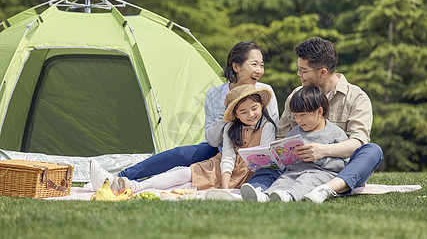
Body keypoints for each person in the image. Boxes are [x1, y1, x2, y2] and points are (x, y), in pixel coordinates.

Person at [89, 41, 279, 191]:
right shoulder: (215, 94)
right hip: (222, 147)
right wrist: (228, 113)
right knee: (180, 153)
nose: (259, 71)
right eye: (254, 64)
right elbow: (212, 141)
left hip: (251, 155)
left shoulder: (265, 92)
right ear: (236, 67)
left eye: (261, 65)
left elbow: (272, 130)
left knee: (189, 176)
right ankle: (119, 177)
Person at [241, 36, 383, 203]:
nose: (298, 74)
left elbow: (358, 142)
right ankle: (260, 191)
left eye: (303, 70)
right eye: (298, 68)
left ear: (322, 72)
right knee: (270, 163)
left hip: (334, 169)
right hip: (296, 167)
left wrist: (323, 151)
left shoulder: (356, 97)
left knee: (373, 151)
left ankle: (328, 189)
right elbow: (281, 137)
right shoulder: (296, 95)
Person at [91, 85, 277, 192]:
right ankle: (132, 185)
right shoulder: (230, 127)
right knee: (185, 173)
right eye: (243, 112)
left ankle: (133, 186)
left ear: (261, 106)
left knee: (187, 186)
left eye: (254, 108)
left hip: (247, 171)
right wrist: (225, 184)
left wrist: (227, 189)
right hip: (222, 167)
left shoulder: (266, 127)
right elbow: (227, 158)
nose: (251, 114)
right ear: (235, 115)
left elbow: (261, 157)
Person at [246, 85, 349, 202]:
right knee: (283, 180)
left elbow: (344, 164)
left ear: (319, 111)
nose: (299, 120)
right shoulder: (295, 131)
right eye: (296, 115)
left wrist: (319, 159)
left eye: (303, 115)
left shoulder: (335, 132)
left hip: (320, 173)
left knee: (306, 180)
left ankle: (289, 196)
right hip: (294, 171)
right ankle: (266, 196)